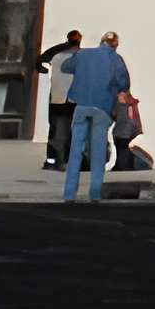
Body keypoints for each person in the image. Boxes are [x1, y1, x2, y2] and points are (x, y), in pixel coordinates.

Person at [61, 28, 130, 203]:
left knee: (75, 150)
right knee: (98, 152)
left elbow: (65, 66)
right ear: (115, 45)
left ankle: (69, 194)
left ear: (101, 41)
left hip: (81, 105)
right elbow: (124, 82)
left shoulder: (83, 54)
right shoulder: (116, 59)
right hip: (102, 108)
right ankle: (95, 194)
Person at [36, 30, 83, 171]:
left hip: (56, 97)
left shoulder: (56, 55)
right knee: (71, 131)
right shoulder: (81, 56)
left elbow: (40, 60)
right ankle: (66, 160)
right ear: (79, 41)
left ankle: (52, 160)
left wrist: (43, 70)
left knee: (55, 129)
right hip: (73, 99)